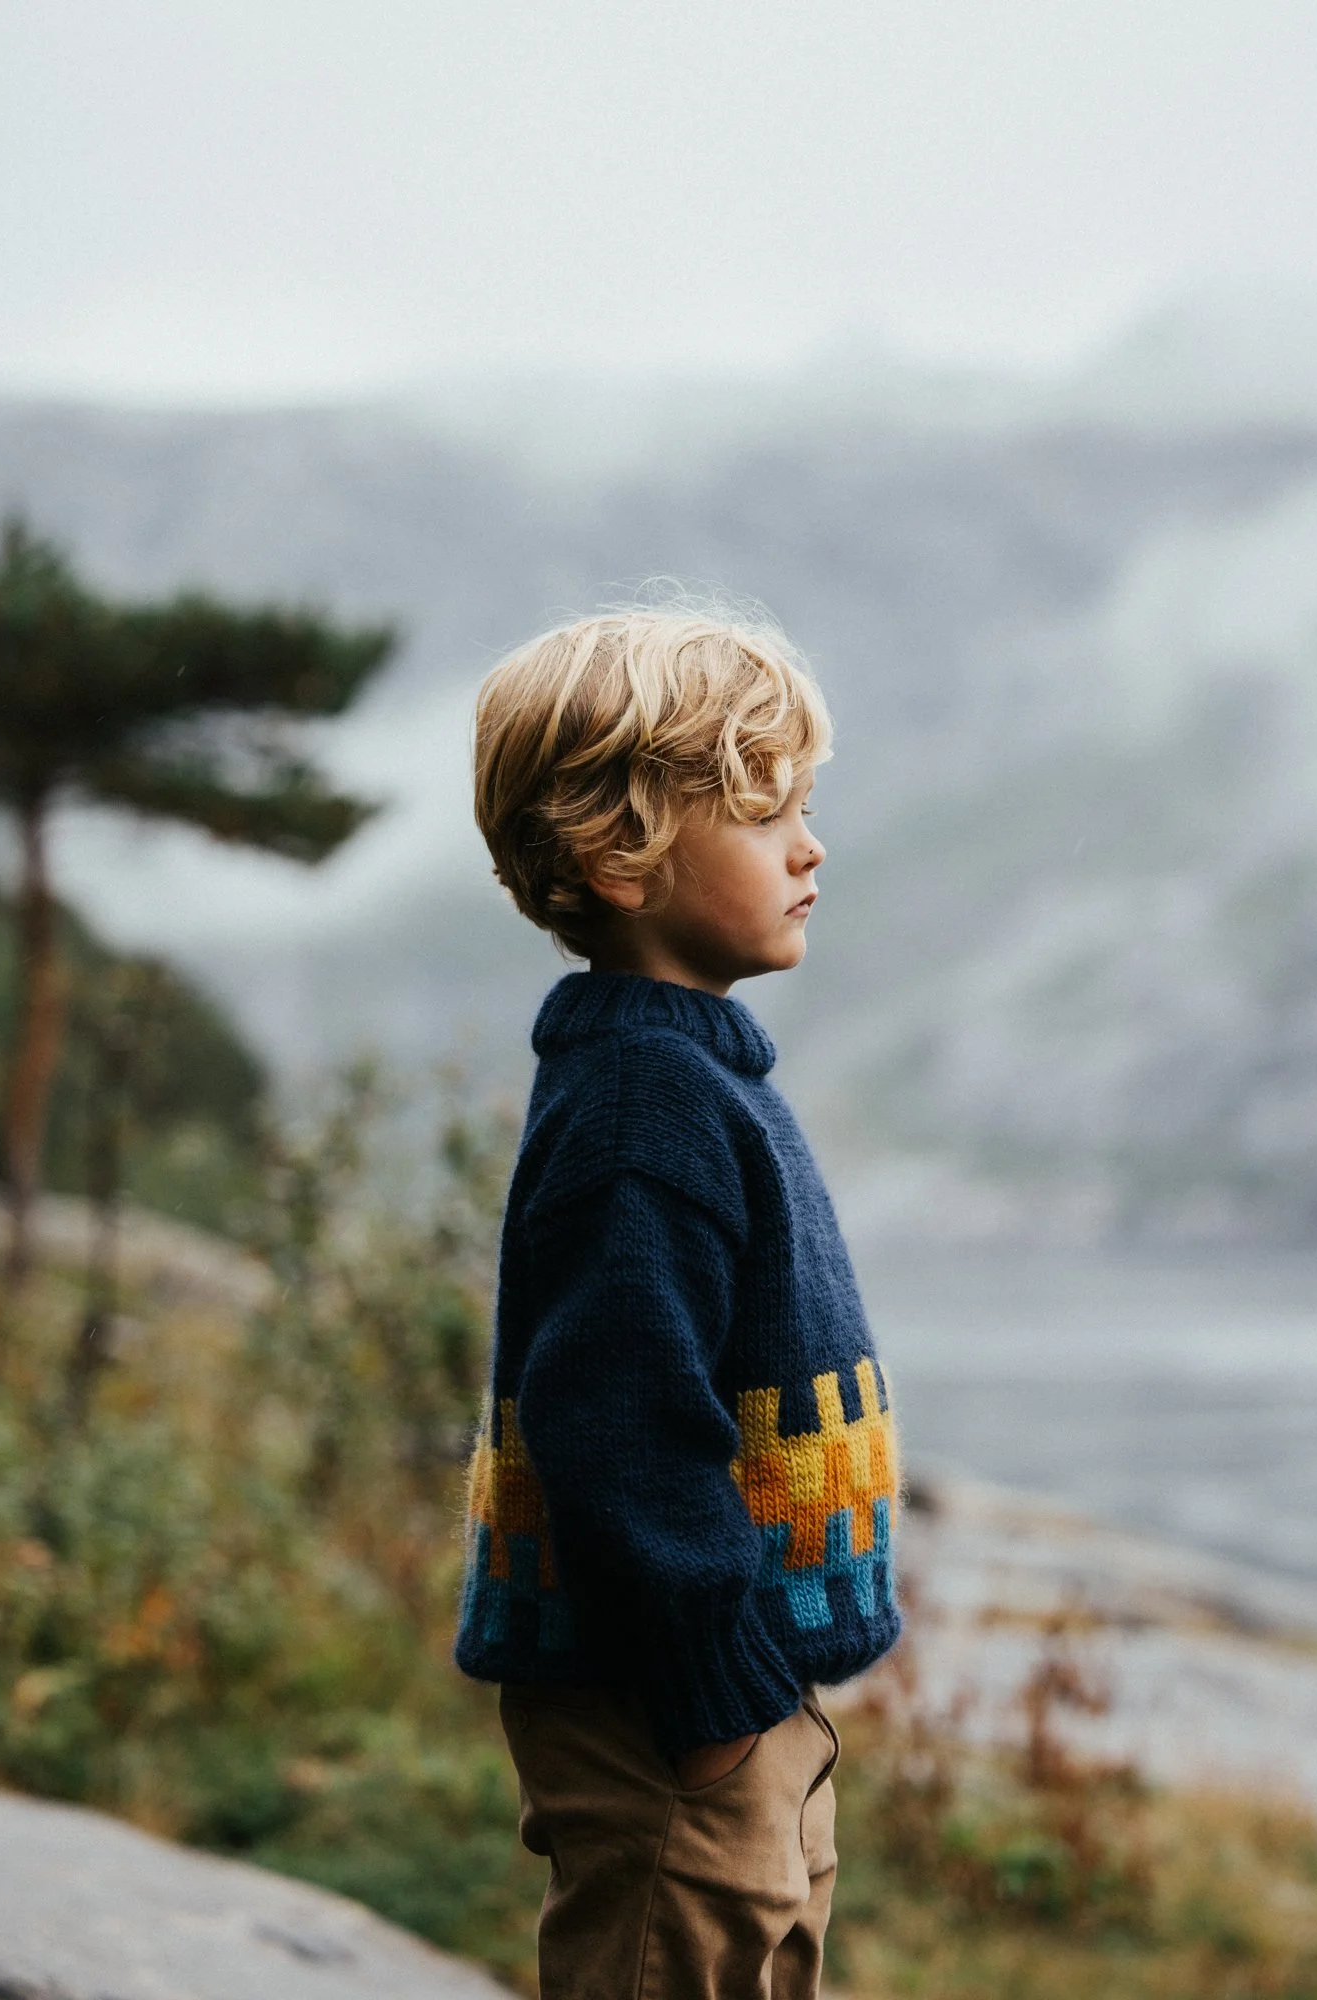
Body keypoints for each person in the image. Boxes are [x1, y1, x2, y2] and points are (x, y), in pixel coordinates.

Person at [455, 607, 902, 1999]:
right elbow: (616, 1429)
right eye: (767, 814)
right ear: (619, 853)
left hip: (734, 1691)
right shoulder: (641, 1108)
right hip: (673, 1709)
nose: (809, 848)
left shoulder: (691, 1078)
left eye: (803, 808)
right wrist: (714, 1716)